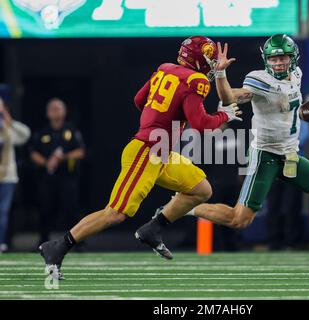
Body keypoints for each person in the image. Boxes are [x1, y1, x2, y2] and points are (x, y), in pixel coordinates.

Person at [38, 36, 241, 279]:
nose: (209, 62)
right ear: (197, 58)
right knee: (115, 213)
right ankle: (58, 246)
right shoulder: (195, 80)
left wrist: (161, 117)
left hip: (161, 150)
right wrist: (224, 115)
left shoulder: (165, 69)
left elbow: (138, 101)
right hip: (147, 151)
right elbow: (200, 125)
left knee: (201, 190)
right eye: (207, 56)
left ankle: (153, 229)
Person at [173, 35, 309, 270]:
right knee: (240, 219)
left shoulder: (296, 75)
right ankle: (184, 206)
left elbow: (288, 110)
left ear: (293, 58)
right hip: (265, 155)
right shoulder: (259, 80)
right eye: (273, 58)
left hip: (289, 154)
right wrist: (221, 74)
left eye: (283, 57)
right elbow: (229, 97)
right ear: (266, 59)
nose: (278, 63)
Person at [30, 98, 86, 245]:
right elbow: (33, 153)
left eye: (58, 108)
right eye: (52, 109)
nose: (55, 112)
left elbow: (81, 151)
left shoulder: (71, 130)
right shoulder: (42, 132)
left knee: (71, 208)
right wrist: (47, 162)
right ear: (47, 113)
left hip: (68, 177)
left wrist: (63, 157)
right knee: (45, 207)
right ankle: (43, 240)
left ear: (65, 111)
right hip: (47, 177)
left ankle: (76, 240)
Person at [267, 121, 309, 250]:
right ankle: (274, 241)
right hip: (274, 162)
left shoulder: (301, 120)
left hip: (292, 163)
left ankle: (292, 240)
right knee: (273, 203)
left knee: (291, 205)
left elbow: (299, 141)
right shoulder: (272, 117)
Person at [0, 98, 31, 253]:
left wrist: (8, 119)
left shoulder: (8, 128)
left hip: (7, 176)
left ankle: (1, 242)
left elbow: (25, 135)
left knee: (3, 212)